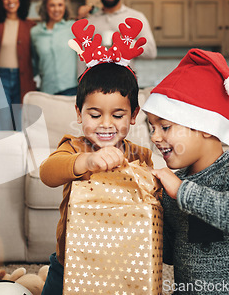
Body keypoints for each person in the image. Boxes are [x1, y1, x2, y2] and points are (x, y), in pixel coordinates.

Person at [141, 48, 229, 294]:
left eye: (165, 126)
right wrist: (150, 210)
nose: (155, 137)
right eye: (152, 127)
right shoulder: (173, 186)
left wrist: (183, 192)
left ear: (204, 126)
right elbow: (170, 254)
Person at [39, 18, 153, 295]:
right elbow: (48, 173)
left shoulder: (140, 156)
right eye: (94, 114)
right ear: (78, 114)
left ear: (134, 116)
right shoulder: (75, 147)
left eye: (118, 115)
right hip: (69, 261)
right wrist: (85, 162)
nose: (106, 124)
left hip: (122, 261)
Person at [77, 0, 157, 74]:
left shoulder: (136, 17)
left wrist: (125, 41)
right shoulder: (90, 21)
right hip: (96, 83)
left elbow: (151, 52)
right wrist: (81, 82)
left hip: (127, 83)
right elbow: (82, 57)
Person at [0, 0, 37, 105]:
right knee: (2, 118)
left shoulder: (31, 26)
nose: (10, 0)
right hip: (0, 77)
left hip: (23, 78)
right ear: (0, 1)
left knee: (20, 118)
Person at [30, 0, 78, 96]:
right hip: (47, 90)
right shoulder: (35, 32)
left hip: (72, 89)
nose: (56, 9)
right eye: (52, 5)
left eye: (60, 5)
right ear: (45, 8)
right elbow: (33, 62)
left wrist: (91, 9)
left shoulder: (74, 28)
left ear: (65, 7)